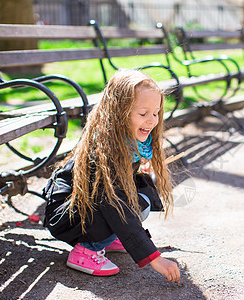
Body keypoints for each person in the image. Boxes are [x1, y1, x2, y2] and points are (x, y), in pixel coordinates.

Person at [42, 69, 180, 283]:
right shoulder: (105, 150)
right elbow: (115, 204)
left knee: (142, 196)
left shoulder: (127, 141)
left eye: (156, 112)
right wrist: (154, 258)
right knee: (132, 204)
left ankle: (106, 237)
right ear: (118, 112)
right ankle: (85, 251)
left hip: (88, 208)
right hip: (68, 216)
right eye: (143, 114)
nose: (152, 120)